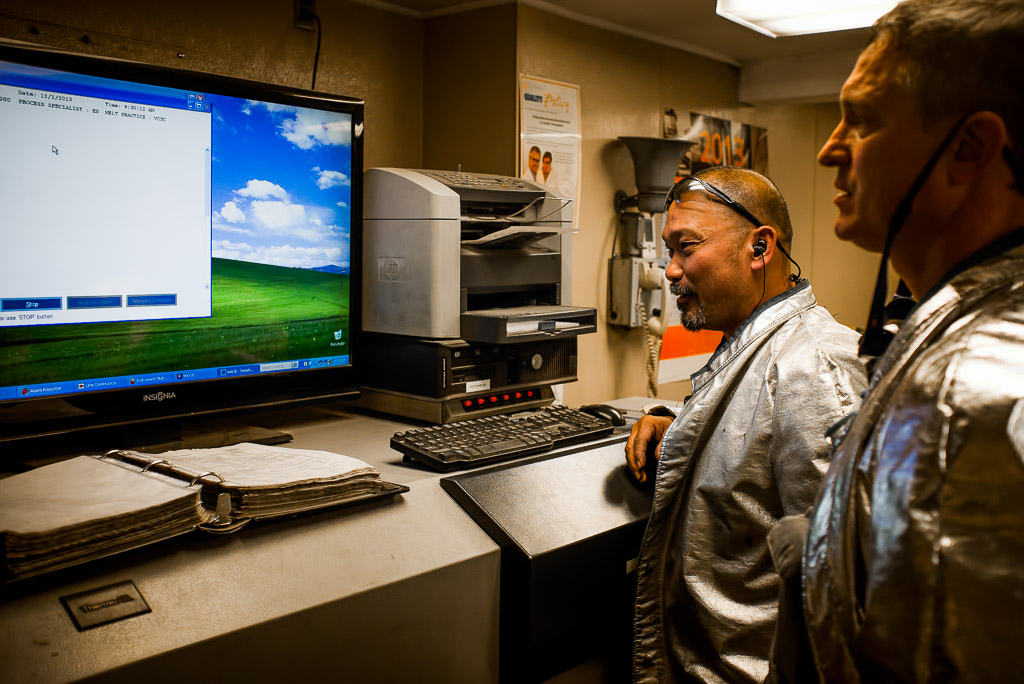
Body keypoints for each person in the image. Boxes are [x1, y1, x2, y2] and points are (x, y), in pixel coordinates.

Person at [787, 1, 1024, 681]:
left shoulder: (970, 388)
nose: (829, 148)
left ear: (970, 149)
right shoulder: (965, 320)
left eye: (860, 120)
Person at [627, 166, 866, 683]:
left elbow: (841, 592)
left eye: (686, 248)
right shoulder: (753, 343)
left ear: (759, 248)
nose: (670, 271)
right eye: (669, 251)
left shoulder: (815, 366)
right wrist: (682, 430)